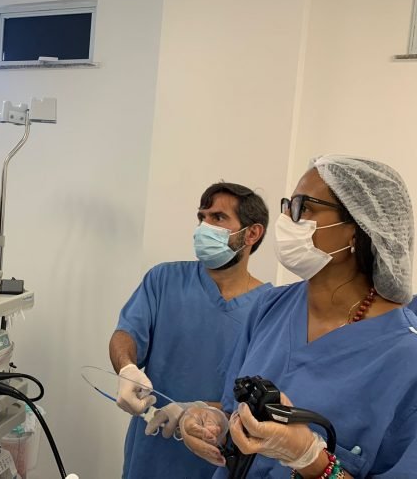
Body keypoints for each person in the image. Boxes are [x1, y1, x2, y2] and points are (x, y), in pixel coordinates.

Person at [178, 155, 417, 478]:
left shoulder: (405, 360)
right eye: (288, 206)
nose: (287, 220)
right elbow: (236, 412)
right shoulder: (270, 307)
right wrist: (213, 423)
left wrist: (310, 459)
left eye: (304, 208)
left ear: (358, 229)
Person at [109, 182, 272, 479]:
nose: (204, 227)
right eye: (202, 217)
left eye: (218, 218)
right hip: (152, 455)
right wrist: (127, 368)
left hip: (220, 461)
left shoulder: (269, 307)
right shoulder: (164, 279)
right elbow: (126, 334)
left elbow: (263, 399)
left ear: (252, 233)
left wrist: (195, 410)